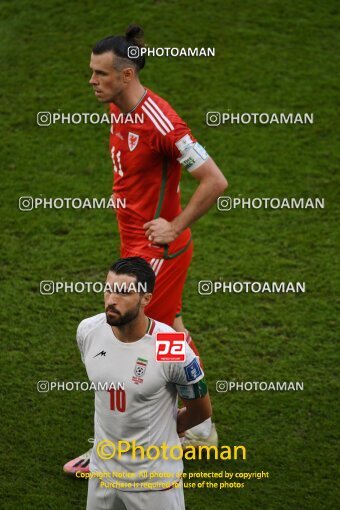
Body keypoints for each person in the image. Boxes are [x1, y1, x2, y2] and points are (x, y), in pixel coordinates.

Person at [64, 24, 227, 475]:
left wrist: (173, 225)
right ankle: (199, 426)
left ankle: (115, 446)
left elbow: (215, 181)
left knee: (127, 336)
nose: (92, 81)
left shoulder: (161, 121)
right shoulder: (118, 106)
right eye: (91, 72)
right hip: (136, 243)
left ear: (128, 74)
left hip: (156, 251)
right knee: (171, 333)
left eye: (100, 74)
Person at [78, 257, 212, 510]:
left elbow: (201, 410)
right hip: (102, 474)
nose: (111, 299)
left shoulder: (170, 347)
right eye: (108, 289)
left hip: (154, 482)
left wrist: (171, 428)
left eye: (124, 292)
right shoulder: (89, 330)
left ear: (146, 299)